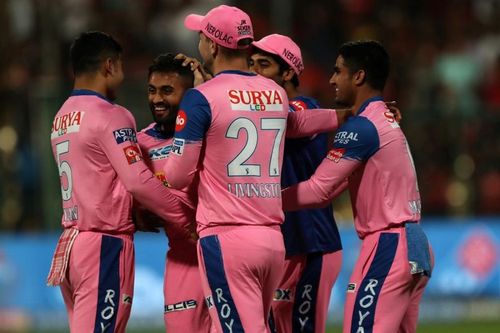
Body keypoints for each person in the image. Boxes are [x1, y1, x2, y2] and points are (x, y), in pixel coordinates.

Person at [162, 5, 346, 333]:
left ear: (213, 45)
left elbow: (177, 175)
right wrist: (345, 115)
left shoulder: (199, 98)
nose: (199, 43)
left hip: (226, 236)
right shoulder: (274, 93)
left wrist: (159, 167)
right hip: (272, 240)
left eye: (202, 35)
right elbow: (297, 122)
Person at [282, 40, 433, 333]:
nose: (332, 80)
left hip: (388, 244)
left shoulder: (360, 128)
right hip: (414, 243)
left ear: (359, 76)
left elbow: (319, 190)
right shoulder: (385, 119)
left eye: (338, 72)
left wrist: (263, 199)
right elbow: (338, 186)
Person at [46, 31, 193, 333]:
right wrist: (183, 218)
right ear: (109, 66)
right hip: (104, 245)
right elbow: (137, 180)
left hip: (72, 243)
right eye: (122, 68)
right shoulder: (112, 115)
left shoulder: (62, 116)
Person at [250, 34, 343, 333]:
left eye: (263, 65)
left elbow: (284, 120)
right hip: (279, 244)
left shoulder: (305, 105)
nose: (254, 73)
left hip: (312, 244)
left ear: (288, 72)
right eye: (250, 64)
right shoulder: (251, 114)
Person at [136, 53, 212, 333]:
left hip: (224, 248)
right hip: (182, 257)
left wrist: (208, 87)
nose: (157, 99)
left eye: (167, 91)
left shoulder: (212, 131)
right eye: (152, 90)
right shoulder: (140, 143)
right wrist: (137, 212)